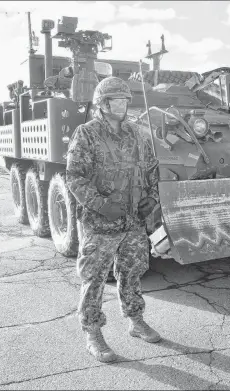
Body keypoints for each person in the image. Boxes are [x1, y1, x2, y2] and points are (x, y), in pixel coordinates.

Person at [66, 76, 162, 363]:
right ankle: (93, 332)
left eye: (124, 100)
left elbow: (152, 171)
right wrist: (100, 205)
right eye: (115, 100)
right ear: (103, 103)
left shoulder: (139, 134)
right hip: (100, 223)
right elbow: (75, 177)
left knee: (133, 270)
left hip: (132, 221)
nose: (121, 105)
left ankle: (135, 319)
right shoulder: (87, 134)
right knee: (94, 278)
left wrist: (152, 200)